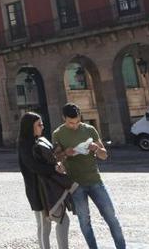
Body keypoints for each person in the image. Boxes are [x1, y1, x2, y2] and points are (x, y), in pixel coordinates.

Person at [53, 103, 126, 249]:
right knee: (84, 221)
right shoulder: (58, 134)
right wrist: (65, 154)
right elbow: (56, 158)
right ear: (63, 118)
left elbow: (104, 155)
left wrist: (96, 148)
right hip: (75, 185)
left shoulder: (90, 129)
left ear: (80, 117)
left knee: (111, 217)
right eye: (70, 123)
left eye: (77, 121)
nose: (74, 125)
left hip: (95, 181)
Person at [18, 112, 77, 249]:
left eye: (42, 124)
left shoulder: (39, 141)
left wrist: (57, 159)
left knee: (56, 222)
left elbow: (48, 161)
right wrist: (54, 168)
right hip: (37, 191)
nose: (42, 127)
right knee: (46, 225)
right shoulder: (24, 145)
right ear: (30, 127)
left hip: (49, 188)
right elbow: (33, 166)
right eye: (39, 124)